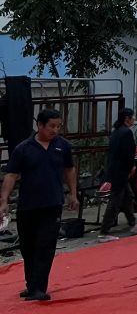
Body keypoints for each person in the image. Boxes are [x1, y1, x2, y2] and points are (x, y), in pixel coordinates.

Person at [0, 108, 79, 302]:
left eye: (58, 126)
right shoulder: (23, 148)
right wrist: (4, 201)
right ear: (40, 126)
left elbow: (69, 170)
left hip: (52, 204)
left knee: (45, 246)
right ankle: (31, 285)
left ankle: (39, 288)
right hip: (28, 205)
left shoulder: (63, 146)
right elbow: (10, 175)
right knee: (28, 247)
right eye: (51, 126)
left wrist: (73, 194)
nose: (55, 130)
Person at [98, 108, 137, 242]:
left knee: (128, 196)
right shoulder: (126, 133)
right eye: (132, 117)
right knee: (115, 200)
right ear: (127, 118)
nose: (134, 120)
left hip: (115, 170)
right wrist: (131, 166)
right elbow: (128, 152)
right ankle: (104, 231)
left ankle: (133, 223)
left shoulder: (116, 132)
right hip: (120, 171)